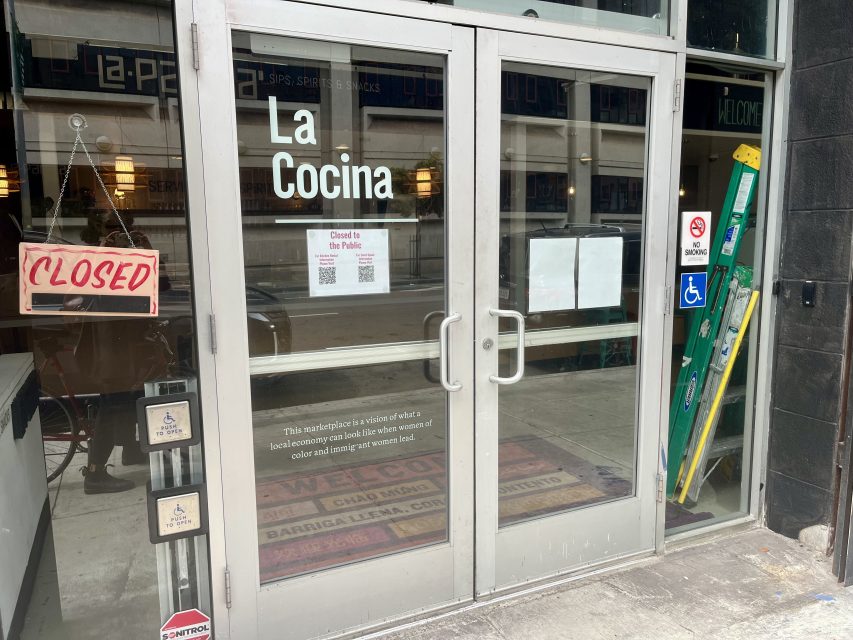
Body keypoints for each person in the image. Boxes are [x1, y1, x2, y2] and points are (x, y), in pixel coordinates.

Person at [77, 211, 173, 494]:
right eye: (117, 229)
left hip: (123, 339)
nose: (122, 234)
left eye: (125, 228)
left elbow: (161, 286)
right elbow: (162, 285)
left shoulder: (120, 253)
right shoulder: (105, 255)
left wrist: (147, 252)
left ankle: (131, 449)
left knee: (130, 396)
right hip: (114, 341)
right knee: (114, 402)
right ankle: (94, 473)